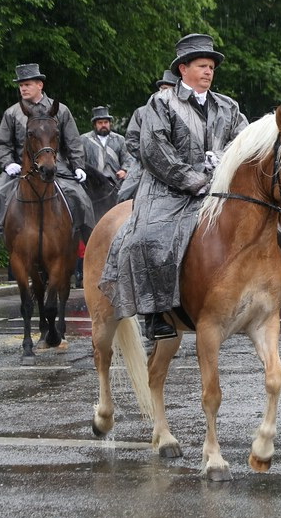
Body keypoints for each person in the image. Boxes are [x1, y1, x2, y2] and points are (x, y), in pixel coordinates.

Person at [100, 34, 248, 340]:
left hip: (219, 187)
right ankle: (155, 313)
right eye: (202, 66)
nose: (208, 72)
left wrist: (219, 162)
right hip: (168, 188)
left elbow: (243, 143)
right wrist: (192, 179)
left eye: (211, 67)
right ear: (183, 69)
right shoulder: (160, 103)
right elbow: (154, 149)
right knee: (143, 237)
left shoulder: (228, 106)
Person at [0, 63, 95, 275]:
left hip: (56, 169)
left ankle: (96, 253)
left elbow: (73, 142)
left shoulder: (61, 110)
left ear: (39, 85)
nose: (23, 89)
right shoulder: (13, 113)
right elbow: (2, 143)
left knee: (82, 199)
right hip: (22, 171)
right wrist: (8, 163)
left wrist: (78, 166)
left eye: (27, 84)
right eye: (20, 85)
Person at [117, 69, 178, 202]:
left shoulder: (184, 116)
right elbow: (131, 141)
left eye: (170, 89)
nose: (165, 92)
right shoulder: (141, 112)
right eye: (163, 88)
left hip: (176, 168)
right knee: (123, 195)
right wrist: (151, 157)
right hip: (144, 166)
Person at [81, 106, 133, 187]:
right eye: (100, 123)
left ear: (110, 123)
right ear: (95, 124)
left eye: (106, 122)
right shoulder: (84, 140)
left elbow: (128, 159)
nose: (103, 125)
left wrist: (124, 170)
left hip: (116, 183)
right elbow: (80, 160)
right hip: (92, 184)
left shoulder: (119, 139)